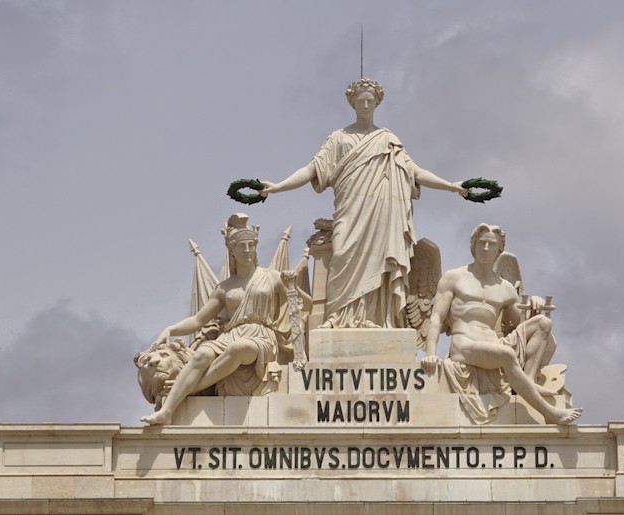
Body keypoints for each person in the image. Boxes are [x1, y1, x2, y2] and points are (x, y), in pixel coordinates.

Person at [262, 78, 466, 329]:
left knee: (379, 261)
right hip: (350, 211)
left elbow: (415, 172)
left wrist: (452, 186)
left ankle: (377, 318)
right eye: (361, 101)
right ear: (353, 103)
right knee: (342, 254)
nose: (366, 104)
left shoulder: (388, 139)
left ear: (378, 102)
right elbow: (312, 169)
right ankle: (337, 317)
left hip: (381, 213)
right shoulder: (339, 138)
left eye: (370, 100)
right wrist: (278, 187)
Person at [141, 215, 310, 425]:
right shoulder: (224, 288)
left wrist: (292, 287)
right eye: (242, 246)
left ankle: (184, 390)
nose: (248, 250)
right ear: (232, 250)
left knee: (238, 349)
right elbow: (198, 320)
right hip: (231, 335)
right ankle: (166, 411)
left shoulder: (272, 277)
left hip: (261, 337)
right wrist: (170, 330)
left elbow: (308, 305)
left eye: (251, 245)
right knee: (202, 352)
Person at [421, 224, 582, 425]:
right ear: (473, 246)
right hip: (464, 345)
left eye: (491, 244)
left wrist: (534, 304)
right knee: (507, 355)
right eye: (481, 243)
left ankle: (529, 380)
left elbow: (521, 323)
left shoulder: (505, 288)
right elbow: (436, 317)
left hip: (494, 345)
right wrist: (430, 353)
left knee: (542, 323)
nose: (486, 248)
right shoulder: (454, 277)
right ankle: (549, 412)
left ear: (499, 249)